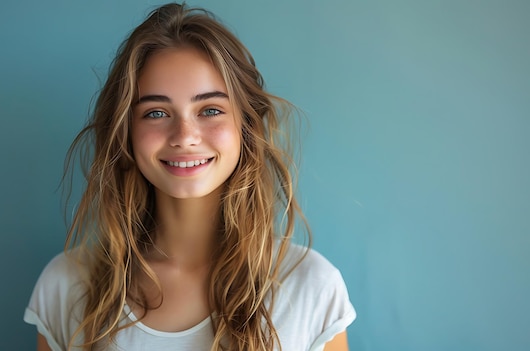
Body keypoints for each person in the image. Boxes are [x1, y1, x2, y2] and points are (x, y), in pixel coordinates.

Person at [24, 3, 356, 351]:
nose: (184, 135)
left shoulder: (312, 288)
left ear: (246, 126)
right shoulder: (65, 286)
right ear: (126, 133)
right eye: (155, 112)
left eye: (210, 110)